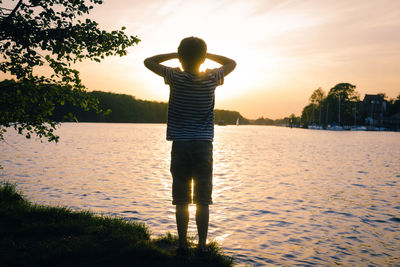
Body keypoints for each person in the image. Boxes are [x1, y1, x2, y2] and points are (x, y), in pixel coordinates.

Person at [144, 37, 236, 254]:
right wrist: (207, 56)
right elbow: (231, 63)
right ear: (203, 58)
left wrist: (175, 55)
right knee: (203, 200)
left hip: (181, 145)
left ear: (181, 56)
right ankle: (202, 246)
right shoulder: (212, 77)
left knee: (182, 199)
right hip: (203, 146)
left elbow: (149, 61)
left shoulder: (175, 76)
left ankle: (183, 244)